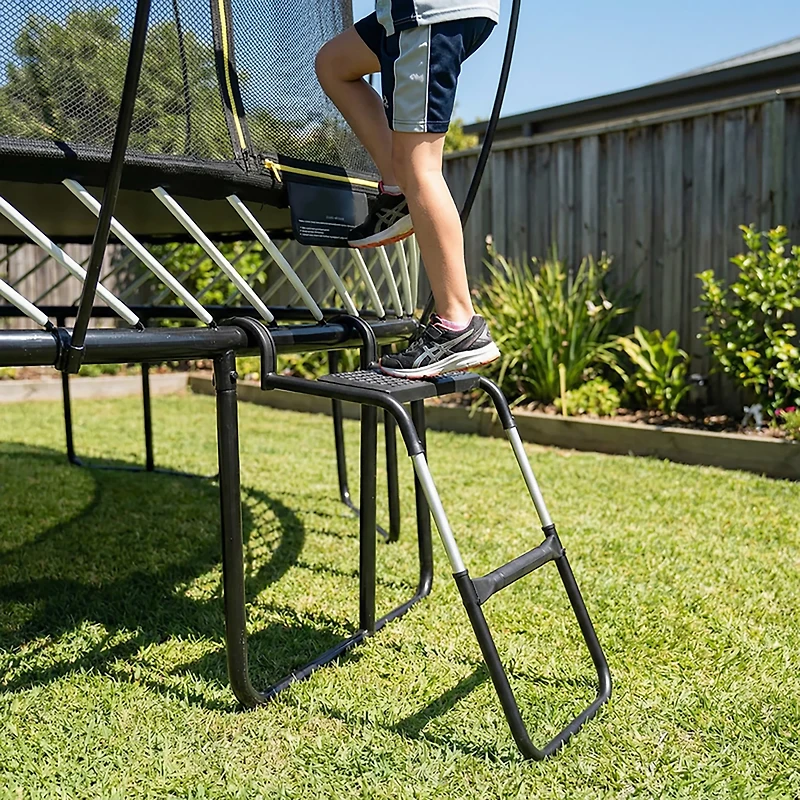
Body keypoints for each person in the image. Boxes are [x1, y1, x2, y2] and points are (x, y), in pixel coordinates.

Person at [315, 0, 501, 379]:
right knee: (334, 63)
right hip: (403, 15)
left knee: (422, 168)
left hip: (429, 12)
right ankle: (398, 193)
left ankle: (457, 324)